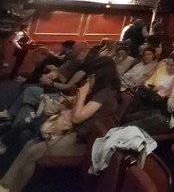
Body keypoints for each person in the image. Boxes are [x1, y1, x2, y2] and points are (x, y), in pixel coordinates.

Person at [0, 57, 120, 192]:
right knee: (29, 144)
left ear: (101, 74)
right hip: (75, 132)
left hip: (83, 141)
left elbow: (77, 118)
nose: (88, 79)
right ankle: (6, 185)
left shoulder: (106, 93)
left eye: (91, 76)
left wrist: (82, 94)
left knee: (33, 151)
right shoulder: (100, 90)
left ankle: (9, 187)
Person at [125, 50, 174, 134]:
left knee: (131, 126)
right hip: (168, 112)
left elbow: (172, 107)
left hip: (173, 120)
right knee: (130, 118)